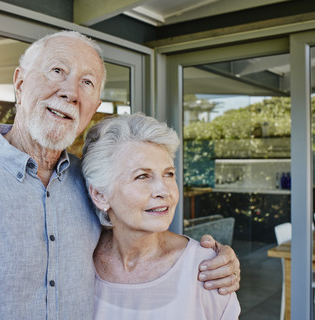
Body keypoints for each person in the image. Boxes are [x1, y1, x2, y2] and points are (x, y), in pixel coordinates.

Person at [0, 31, 239, 319]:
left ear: (93, 107)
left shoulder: (90, 182)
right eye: (57, 71)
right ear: (20, 82)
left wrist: (213, 259)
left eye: (87, 84)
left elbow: (137, 233)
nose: (71, 92)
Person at [82, 113, 241, 319]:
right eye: (142, 176)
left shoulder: (207, 269)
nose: (163, 190)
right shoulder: (79, 262)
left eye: (168, 174)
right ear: (101, 195)